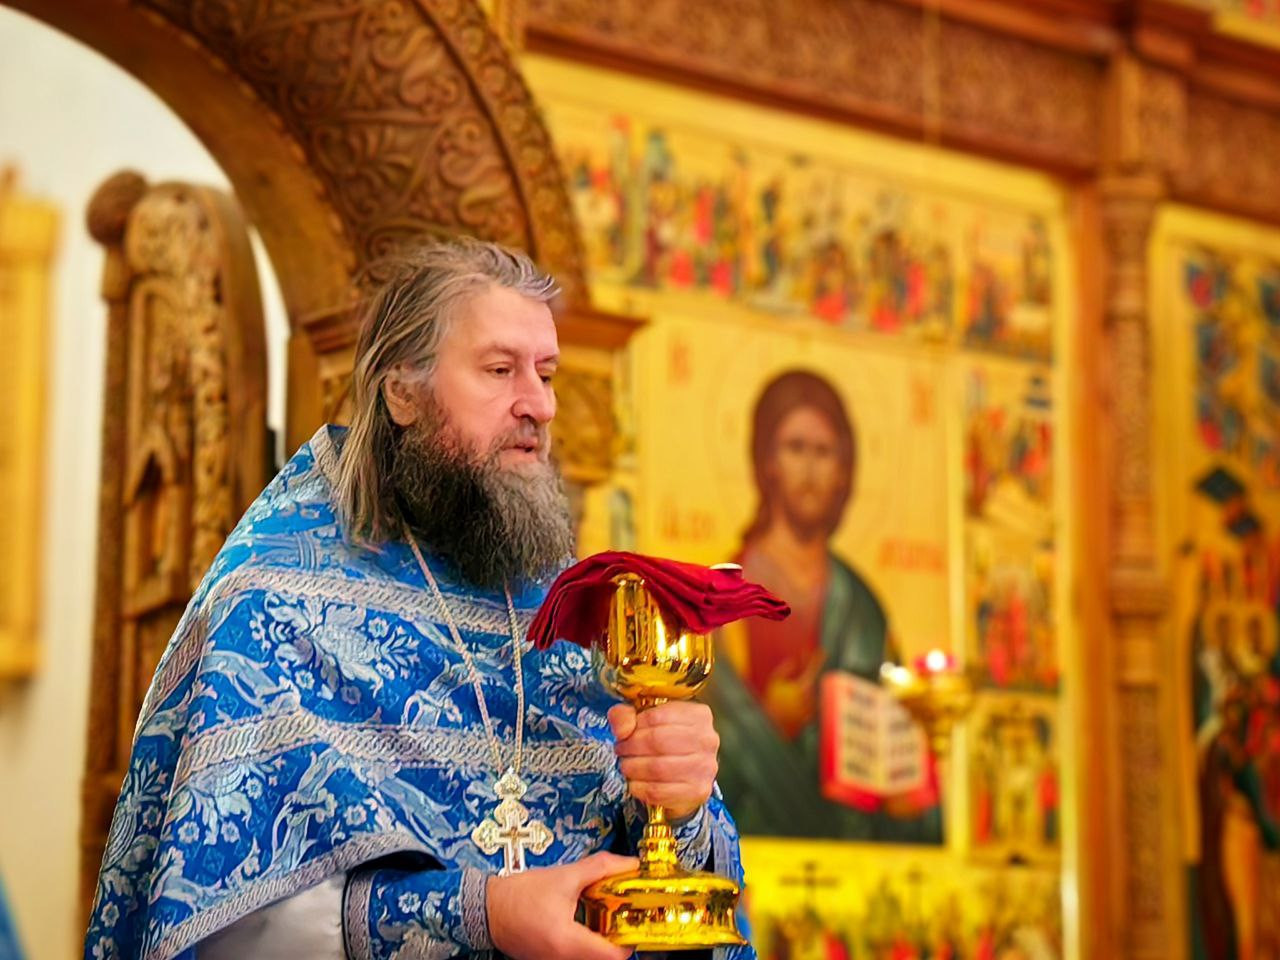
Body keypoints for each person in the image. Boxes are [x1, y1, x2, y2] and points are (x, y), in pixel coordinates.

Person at [85, 238, 750, 960]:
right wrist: (482, 913)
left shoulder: (569, 615)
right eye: (500, 370)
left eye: (546, 373)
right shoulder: (274, 600)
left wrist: (679, 802)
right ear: (402, 392)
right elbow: (223, 922)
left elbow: (670, 897)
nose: (538, 404)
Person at [709, 370, 940, 842]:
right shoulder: (723, 596)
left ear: (842, 471)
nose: (810, 469)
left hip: (852, 853)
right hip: (746, 854)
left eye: (824, 451)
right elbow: (691, 745)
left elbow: (897, 748)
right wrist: (769, 723)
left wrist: (904, 785)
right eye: (795, 448)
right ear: (768, 462)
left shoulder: (861, 607)